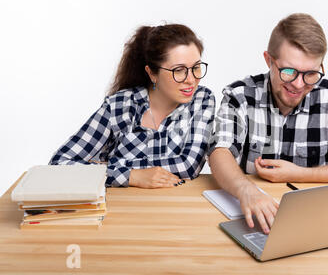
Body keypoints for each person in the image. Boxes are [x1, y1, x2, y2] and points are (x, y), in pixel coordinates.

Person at [208, 13, 328, 234]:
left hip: (318, 222)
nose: (298, 84)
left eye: (311, 73)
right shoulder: (240, 95)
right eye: (288, 72)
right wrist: (246, 190)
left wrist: (300, 174)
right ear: (268, 60)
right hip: (253, 219)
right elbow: (219, 152)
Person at [50, 24, 215, 188]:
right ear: (152, 73)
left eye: (196, 67)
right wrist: (132, 176)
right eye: (179, 70)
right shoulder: (119, 106)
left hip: (174, 207)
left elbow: (188, 165)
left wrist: (107, 167)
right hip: (121, 206)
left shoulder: (202, 99)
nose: (191, 79)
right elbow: (59, 164)